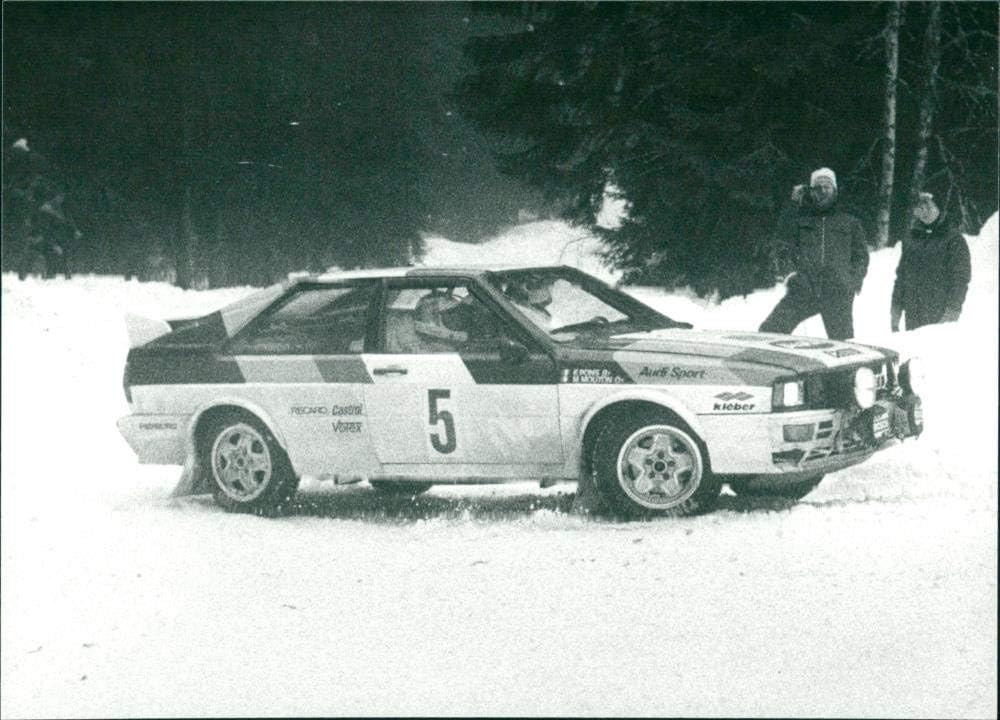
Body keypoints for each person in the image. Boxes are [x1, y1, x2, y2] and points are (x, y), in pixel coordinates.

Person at [759, 167, 869, 340]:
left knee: (842, 344)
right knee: (769, 331)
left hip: (837, 292)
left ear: (835, 190)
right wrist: (794, 203)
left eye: (827, 186)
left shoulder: (850, 222)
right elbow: (782, 240)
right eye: (818, 187)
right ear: (811, 192)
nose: (823, 191)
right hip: (804, 288)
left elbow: (861, 256)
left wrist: (852, 282)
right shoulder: (801, 219)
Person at [891, 192, 971, 331]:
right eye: (920, 208)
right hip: (913, 316)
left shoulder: (953, 239)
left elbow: (960, 277)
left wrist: (953, 310)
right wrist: (896, 308)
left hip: (940, 316)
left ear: (939, 208)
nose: (924, 212)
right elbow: (902, 276)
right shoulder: (911, 238)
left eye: (929, 207)